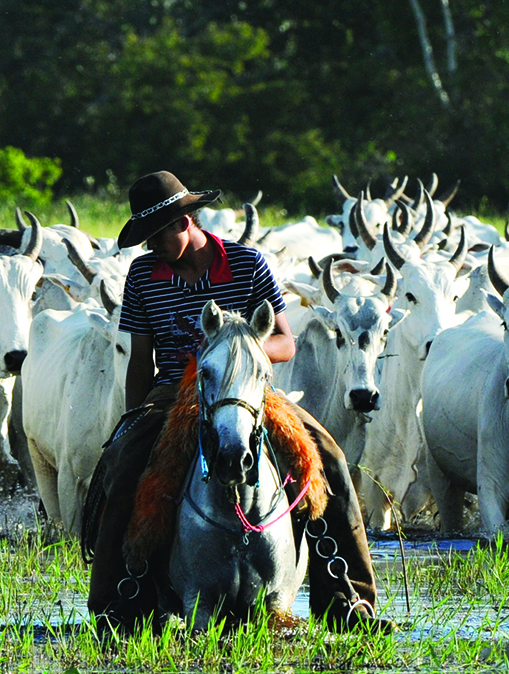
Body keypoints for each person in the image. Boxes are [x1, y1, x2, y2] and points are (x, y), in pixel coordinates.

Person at [81, 170, 382, 631]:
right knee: (125, 466)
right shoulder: (143, 275)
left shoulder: (246, 263)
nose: (149, 247)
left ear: (183, 222)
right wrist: (133, 418)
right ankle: (119, 599)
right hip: (176, 393)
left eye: (154, 236)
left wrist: (246, 351)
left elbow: (286, 341)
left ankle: (348, 599)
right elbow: (141, 358)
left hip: (248, 389)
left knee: (328, 458)